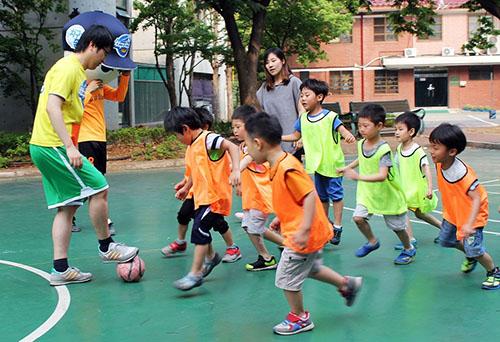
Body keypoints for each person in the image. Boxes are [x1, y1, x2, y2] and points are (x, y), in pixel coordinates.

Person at [29, 25, 139, 286]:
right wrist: (69, 146)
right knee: (100, 188)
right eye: (104, 53)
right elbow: (52, 106)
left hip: (44, 146)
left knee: (67, 208)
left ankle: (61, 269)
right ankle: (107, 247)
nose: (104, 60)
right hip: (54, 146)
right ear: (91, 45)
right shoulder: (69, 68)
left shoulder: (76, 72)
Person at [244, 112, 362, 335]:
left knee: (286, 277)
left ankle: (300, 317)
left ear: (258, 143)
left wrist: (304, 228)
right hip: (304, 230)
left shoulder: (287, 167)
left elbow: (308, 195)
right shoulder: (278, 164)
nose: (247, 152)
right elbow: (293, 196)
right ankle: (347, 284)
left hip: (303, 234)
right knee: (312, 268)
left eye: (247, 146)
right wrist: (281, 216)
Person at [164, 107, 241, 291]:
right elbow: (197, 171)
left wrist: (237, 170)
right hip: (201, 197)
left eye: (177, 136)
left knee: (199, 230)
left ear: (185, 129)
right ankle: (212, 256)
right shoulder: (194, 145)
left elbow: (233, 146)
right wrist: (186, 187)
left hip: (214, 197)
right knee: (200, 228)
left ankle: (195, 273)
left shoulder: (208, 139)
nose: (179, 140)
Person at [339, 104, 416, 265]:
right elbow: (362, 158)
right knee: (358, 218)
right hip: (368, 193)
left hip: (387, 194)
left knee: (397, 228)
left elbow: (382, 176)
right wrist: (348, 167)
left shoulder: (384, 149)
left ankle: (408, 248)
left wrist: (357, 176)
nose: (361, 129)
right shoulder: (361, 143)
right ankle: (373, 241)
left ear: (379, 126)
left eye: (366, 126)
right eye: (359, 126)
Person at [282, 79, 355, 245]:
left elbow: (343, 131)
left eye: (307, 95)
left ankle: (337, 226)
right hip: (316, 165)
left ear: (320, 97)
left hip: (333, 164)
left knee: (335, 196)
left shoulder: (330, 117)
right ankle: (324, 224)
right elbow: (295, 136)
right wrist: (277, 137)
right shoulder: (303, 119)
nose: (303, 98)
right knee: (322, 197)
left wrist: (348, 136)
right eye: (301, 95)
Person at [429, 123, 500, 290]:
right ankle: (470, 255)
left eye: (436, 148)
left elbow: (476, 199)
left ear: (452, 152)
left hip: (472, 218)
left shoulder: (463, 174)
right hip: (453, 214)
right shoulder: (439, 162)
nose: (431, 151)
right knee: (446, 240)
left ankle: (493, 271)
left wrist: (469, 223)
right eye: (431, 146)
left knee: (475, 249)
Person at [71, 70, 131, 234]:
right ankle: (103, 220)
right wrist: (88, 90)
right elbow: (75, 107)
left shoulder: (101, 86)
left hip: (99, 138)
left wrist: (125, 76)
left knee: (96, 180)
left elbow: (119, 96)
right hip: (85, 138)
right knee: (92, 182)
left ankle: (69, 215)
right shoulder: (79, 87)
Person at [232, 105, 279, 271]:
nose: (235, 131)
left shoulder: (255, 145)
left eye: (238, 127)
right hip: (252, 196)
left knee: (253, 228)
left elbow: (246, 161)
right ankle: (280, 249)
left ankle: (271, 255)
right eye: (233, 127)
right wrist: (240, 184)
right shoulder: (243, 146)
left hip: (261, 196)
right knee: (250, 227)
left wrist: (235, 171)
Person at [393, 112, 441, 249]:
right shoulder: (399, 148)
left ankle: (409, 239)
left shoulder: (417, 151)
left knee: (403, 210)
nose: (396, 132)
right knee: (420, 214)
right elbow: (395, 166)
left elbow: (426, 169)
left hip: (416, 187)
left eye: (400, 129)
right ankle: (444, 229)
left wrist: (430, 188)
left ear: (411, 131)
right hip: (405, 186)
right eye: (395, 129)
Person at [256, 47, 305, 156]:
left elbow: (302, 111)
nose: (270, 65)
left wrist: (301, 135)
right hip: (272, 145)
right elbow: (262, 117)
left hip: (293, 144)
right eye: (267, 63)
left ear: (282, 61)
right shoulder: (263, 89)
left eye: (273, 61)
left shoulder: (294, 83)